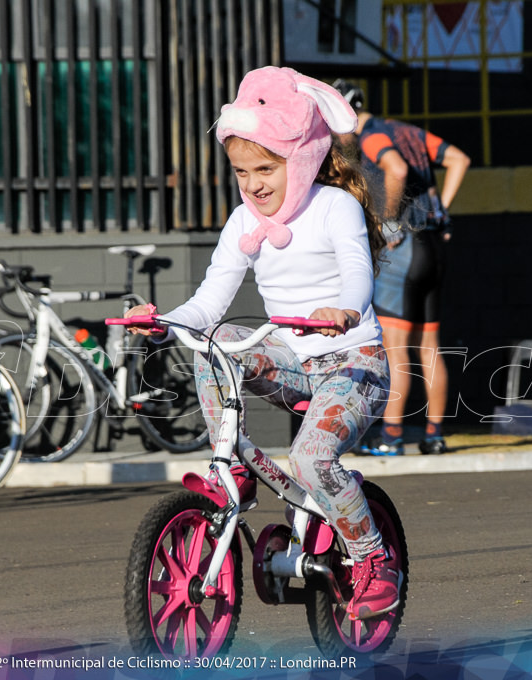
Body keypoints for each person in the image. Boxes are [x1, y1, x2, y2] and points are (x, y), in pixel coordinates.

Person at [125, 66, 399, 620]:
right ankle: (236, 470)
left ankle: (374, 559)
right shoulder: (241, 221)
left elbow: (357, 273)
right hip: (292, 361)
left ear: (301, 160)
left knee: (310, 458)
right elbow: (208, 302)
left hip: (353, 363)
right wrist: (163, 321)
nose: (253, 183)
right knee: (215, 342)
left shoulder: (334, 206)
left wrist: (345, 309)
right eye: (241, 171)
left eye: (266, 168)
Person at [333, 79, 471, 456]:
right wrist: (441, 207)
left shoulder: (372, 135)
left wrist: (387, 219)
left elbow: (394, 168)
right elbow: (459, 159)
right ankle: (434, 436)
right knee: (429, 345)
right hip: (432, 246)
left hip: (404, 247)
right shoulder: (405, 129)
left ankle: (391, 438)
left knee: (394, 349)